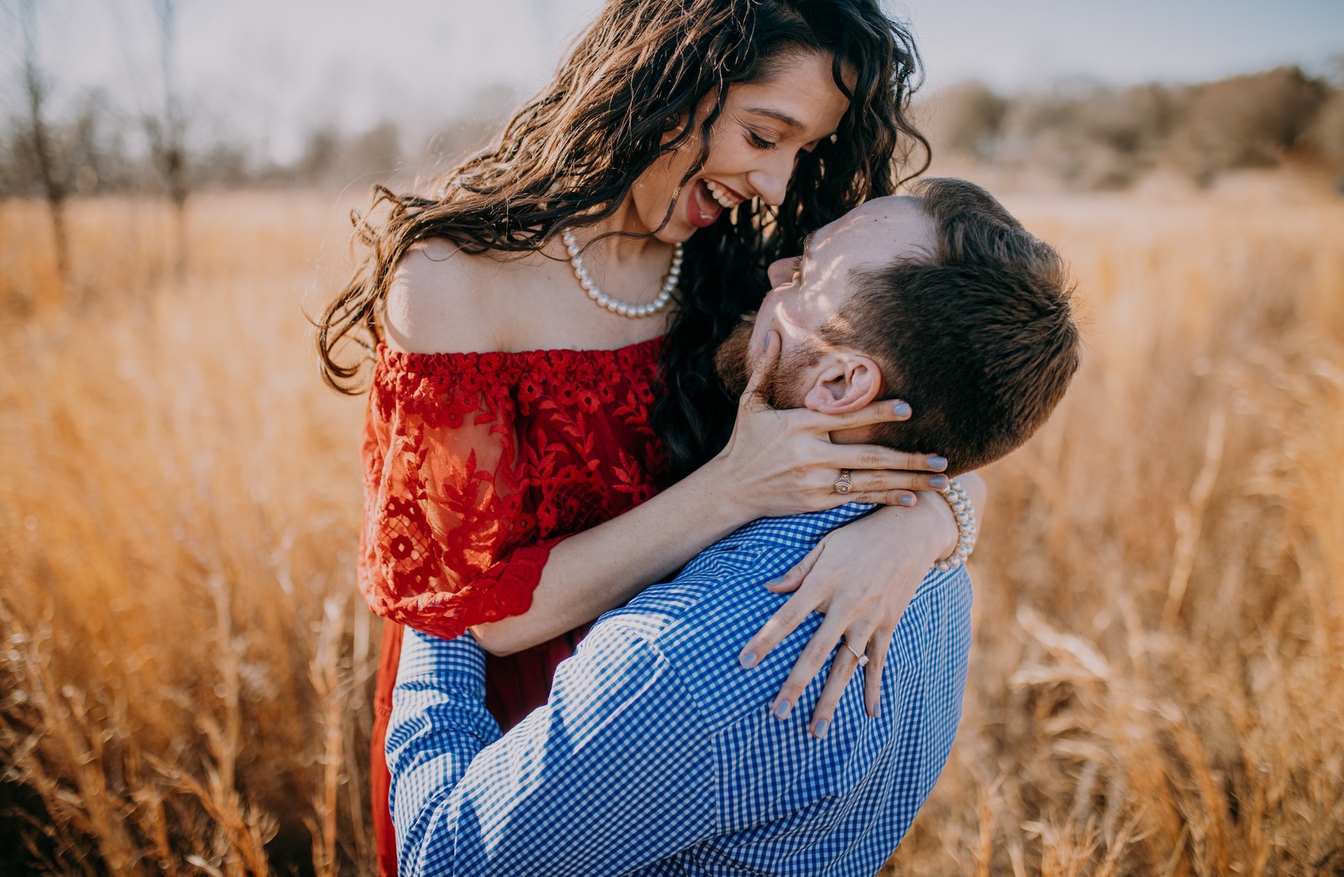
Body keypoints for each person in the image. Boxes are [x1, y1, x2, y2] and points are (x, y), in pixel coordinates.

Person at [318, 0, 971, 871]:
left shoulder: (745, 273)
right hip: (504, 730)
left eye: (800, 151)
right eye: (764, 135)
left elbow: (944, 420)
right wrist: (732, 489)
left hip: (694, 719)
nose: (774, 183)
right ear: (667, 77)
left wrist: (924, 523)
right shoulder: (454, 277)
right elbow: (476, 619)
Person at [386, 181, 1081, 875]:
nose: (776, 272)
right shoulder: (937, 583)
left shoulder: (678, 661)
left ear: (841, 385)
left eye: (804, 277)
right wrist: (940, 514)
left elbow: (443, 860)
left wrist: (436, 583)